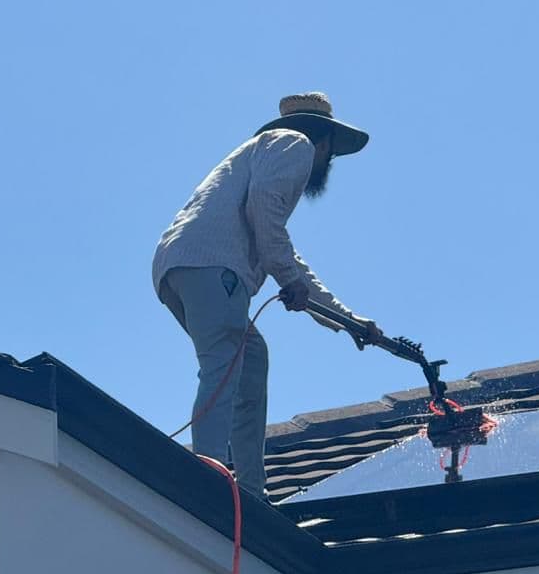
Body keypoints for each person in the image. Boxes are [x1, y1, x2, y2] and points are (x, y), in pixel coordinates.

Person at [152, 92, 383, 497]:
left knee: (250, 361)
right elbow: (265, 209)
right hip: (214, 269)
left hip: (183, 271)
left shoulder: (260, 152)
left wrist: (348, 321)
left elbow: (283, 249)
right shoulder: (296, 144)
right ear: (324, 141)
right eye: (331, 154)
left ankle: (251, 490)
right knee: (222, 365)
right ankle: (208, 473)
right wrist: (288, 280)